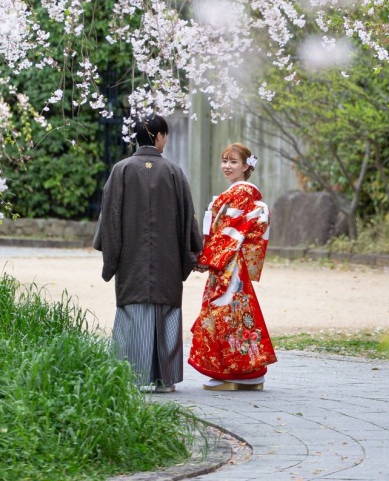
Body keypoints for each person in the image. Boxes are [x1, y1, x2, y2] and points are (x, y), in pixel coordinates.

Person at [93, 113, 203, 392]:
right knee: (166, 314)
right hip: (167, 260)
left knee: (133, 314)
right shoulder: (174, 172)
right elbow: (188, 217)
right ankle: (164, 380)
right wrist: (192, 251)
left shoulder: (121, 170)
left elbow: (110, 217)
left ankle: (130, 377)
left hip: (132, 260)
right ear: (159, 136)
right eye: (165, 134)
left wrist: (111, 256)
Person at [188, 142, 277, 391]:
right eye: (224, 161)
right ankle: (239, 371)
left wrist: (205, 258)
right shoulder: (237, 192)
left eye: (233, 162)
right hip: (228, 262)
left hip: (230, 264)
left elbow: (231, 232)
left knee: (228, 314)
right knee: (232, 315)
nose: (227, 166)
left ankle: (242, 372)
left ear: (246, 166)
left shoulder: (242, 192)